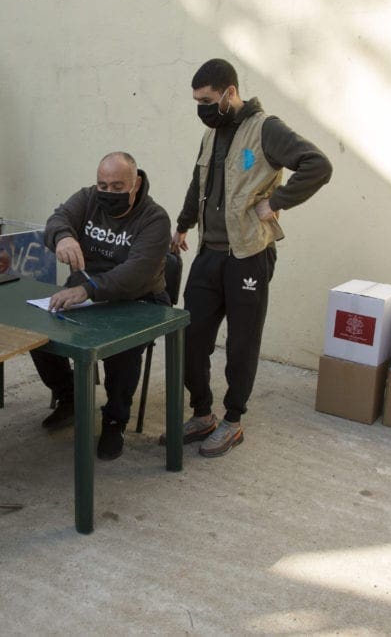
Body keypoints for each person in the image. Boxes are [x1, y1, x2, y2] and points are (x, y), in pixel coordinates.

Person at [170, 58, 333, 457]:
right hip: (210, 252)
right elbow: (199, 181)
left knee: (242, 342)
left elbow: (318, 165)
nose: (202, 108)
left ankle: (232, 420)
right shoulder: (211, 134)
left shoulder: (266, 129)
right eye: (196, 101)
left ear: (230, 92)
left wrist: (276, 202)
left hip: (249, 255)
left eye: (207, 99)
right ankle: (203, 412)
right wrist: (183, 224)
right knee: (192, 338)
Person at [32, 151, 171, 460]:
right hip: (86, 291)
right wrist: (63, 237)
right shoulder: (87, 198)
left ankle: (114, 419)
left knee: (122, 349)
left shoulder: (154, 218)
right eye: (103, 186)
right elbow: (58, 219)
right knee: (38, 333)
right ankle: (71, 398)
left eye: (117, 187)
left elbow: (136, 272)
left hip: (139, 298)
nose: (108, 193)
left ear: (135, 184)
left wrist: (89, 288)